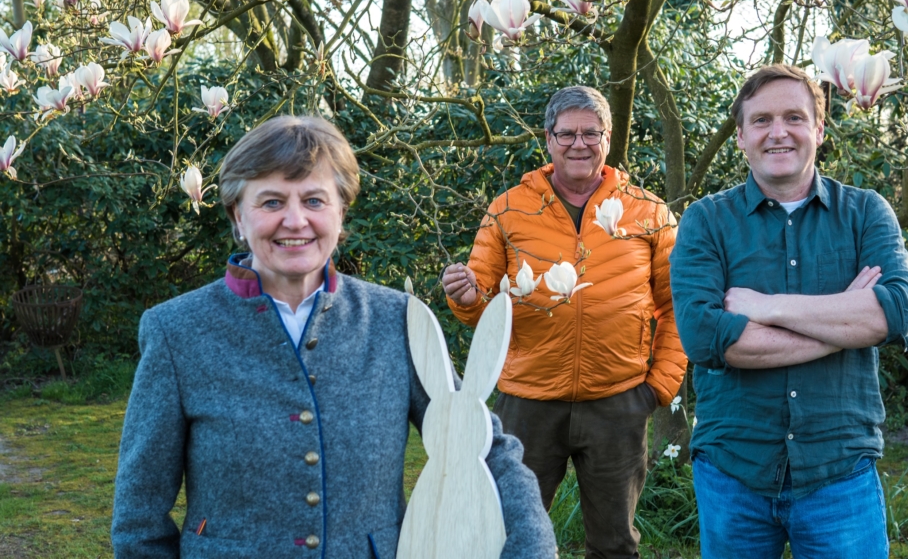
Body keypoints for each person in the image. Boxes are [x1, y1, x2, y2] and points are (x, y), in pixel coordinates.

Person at [110, 116, 556, 559]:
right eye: (270, 202)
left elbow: (486, 449)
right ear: (237, 216)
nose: (295, 220)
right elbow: (139, 519)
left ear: (341, 214)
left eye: (314, 200)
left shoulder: (398, 321)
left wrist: (532, 548)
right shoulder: (177, 332)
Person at [669, 64, 908, 558]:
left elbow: (892, 312)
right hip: (733, 472)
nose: (778, 132)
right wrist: (845, 322)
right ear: (740, 136)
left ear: (819, 130)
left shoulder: (866, 213)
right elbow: (703, 336)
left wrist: (767, 307)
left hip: (839, 470)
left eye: (794, 118)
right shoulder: (705, 221)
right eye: (761, 120)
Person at [443, 86, 686, 559]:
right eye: (567, 133)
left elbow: (676, 306)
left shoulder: (650, 213)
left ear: (608, 138)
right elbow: (483, 303)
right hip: (529, 400)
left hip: (618, 402)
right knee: (504, 534)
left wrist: (659, 386)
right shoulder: (509, 208)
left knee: (615, 544)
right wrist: (468, 298)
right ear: (548, 140)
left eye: (590, 133)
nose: (579, 143)